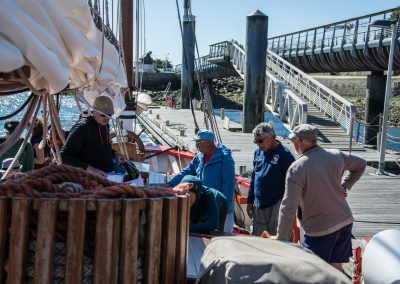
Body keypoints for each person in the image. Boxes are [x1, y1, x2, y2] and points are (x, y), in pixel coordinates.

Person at [271, 124, 367, 271]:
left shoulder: (297, 168)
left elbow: (288, 206)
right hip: (344, 221)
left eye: (293, 140)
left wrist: (281, 237)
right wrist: (345, 186)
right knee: (336, 268)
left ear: (300, 140)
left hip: (319, 229)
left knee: (314, 272)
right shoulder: (336, 155)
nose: (293, 144)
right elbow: (361, 164)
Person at [167, 130, 235, 233]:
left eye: (198, 142)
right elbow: (187, 172)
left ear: (207, 142)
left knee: (220, 233)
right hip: (203, 201)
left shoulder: (225, 159)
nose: (196, 145)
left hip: (219, 204)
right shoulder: (199, 157)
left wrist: (226, 208)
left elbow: (228, 185)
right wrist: (170, 184)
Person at [246, 122, 295, 236]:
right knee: (258, 238)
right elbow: (254, 177)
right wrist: (249, 200)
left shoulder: (285, 155)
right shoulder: (257, 153)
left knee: (278, 239)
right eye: (256, 141)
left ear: (271, 137)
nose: (258, 144)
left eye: (260, 141)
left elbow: (294, 181)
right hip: (259, 203)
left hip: (277, 203)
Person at [61, 96, 126, 178]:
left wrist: (115, 153)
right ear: (93, 111)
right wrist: (90, 169)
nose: (106, 118)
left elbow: (101, 147)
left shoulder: (106, 125)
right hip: (89, 179)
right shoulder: (82, 127)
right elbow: (64, 156)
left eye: (109, 115)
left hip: (108, 176)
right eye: (103, 115)